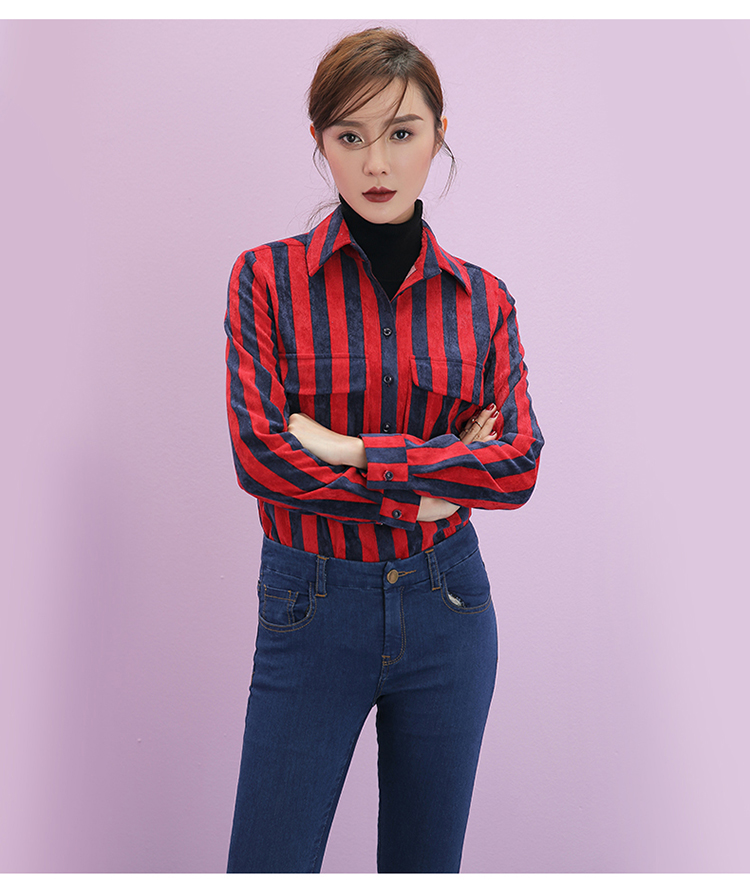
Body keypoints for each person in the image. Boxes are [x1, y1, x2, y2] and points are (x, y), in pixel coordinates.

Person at [223, 27, 543, 874]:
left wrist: (353, 450)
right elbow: (261, 457)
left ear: (439, 135)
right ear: (320, 141)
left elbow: (517, 463)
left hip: (450, 608)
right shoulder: (265, 280)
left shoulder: (485, 301)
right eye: (350, 135)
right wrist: (434, 480)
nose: (376, 162)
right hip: (311, 603)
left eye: (402, 132)